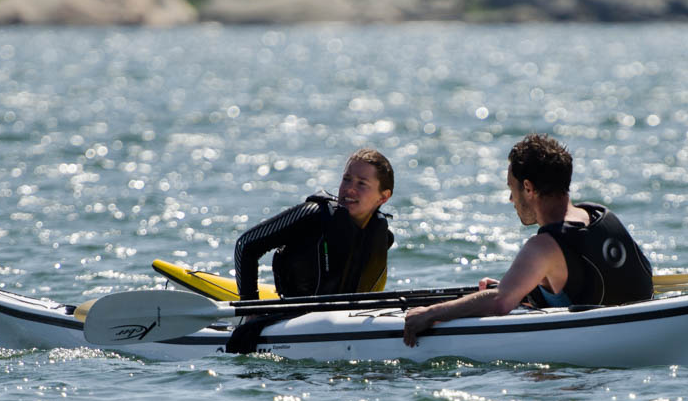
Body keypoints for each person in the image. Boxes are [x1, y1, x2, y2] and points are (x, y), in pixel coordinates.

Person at [403, 134, 652, 347]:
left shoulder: (544, 246)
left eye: (512, 189)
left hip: (589, 363)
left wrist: (430, 313)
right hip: (643, 331)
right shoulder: (601, 216)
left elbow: (500, 301)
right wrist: (520, 285)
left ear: (528, 188)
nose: (511, 199)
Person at [233, 148, 396, 301]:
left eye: (361, 184)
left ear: (383, 197)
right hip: (292, 318)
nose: (349, 189)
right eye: (346, 179)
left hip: (345, 319)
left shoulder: (383, 237)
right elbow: (245, 244)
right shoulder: (313, 214)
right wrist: (250, 308)